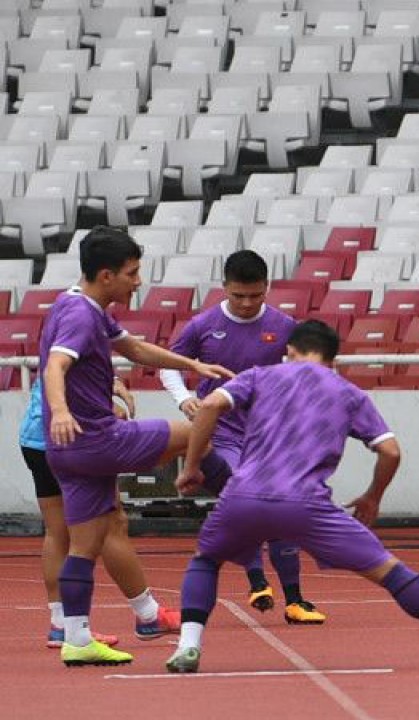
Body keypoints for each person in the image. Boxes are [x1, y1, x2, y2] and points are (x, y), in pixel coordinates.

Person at [164, 320, 419, 673]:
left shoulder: (260, 375)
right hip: (306, 505)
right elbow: (391, 451)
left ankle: (188, 647)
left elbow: (209, 406)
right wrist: (371, 497)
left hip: (243, 496)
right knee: (389, 572)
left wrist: (192, 466)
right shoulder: (349, 393)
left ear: (289, 351)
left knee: (207, 560)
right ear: (333, 358)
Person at [40, 226, 234, 667]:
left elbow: (135, 349)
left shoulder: (80, 302)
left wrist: (191, 363)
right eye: (133, 273)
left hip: (67, 452)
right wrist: (63, 411)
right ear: (106, 275)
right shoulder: (79, 316)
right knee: (199, 423)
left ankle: (76, 638)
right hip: (96, 439)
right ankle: (244, 498)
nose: (139, 281)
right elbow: (55, 366)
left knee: (86, 544)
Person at [157, 250, 324, 624]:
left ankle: (295, 600)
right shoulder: (202, 326)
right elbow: (169, 366)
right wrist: (185, 400)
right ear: (225, 289)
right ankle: (256, 579)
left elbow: (305, 372)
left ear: (267, 288)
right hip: (222, 433)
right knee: (247, 498)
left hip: (269, 434)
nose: (247, 304)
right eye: (238, 296)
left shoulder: (285, 326)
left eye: (255, 295)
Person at [21, 376, 181, 648]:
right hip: (73, 437)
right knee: (110, 523)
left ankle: (61, 624)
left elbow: (64, 371)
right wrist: (105, 405)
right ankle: (148, 615)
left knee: (57, 531)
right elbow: (70, 375)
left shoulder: (60, 335)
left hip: (37, 437)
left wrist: (111, 383)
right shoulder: (83, 332)